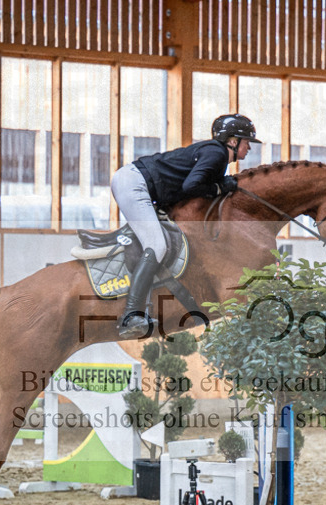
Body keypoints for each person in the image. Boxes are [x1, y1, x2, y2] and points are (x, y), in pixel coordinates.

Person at [110, 113, 260, 339]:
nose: (249, 148)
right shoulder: (217, 153)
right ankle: (131, 315)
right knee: (157, 245)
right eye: (246, 141)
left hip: (139, 183)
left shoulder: (214, 154)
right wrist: (220, 187)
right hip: (135, 184)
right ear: (232, 141)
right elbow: (192, 186)